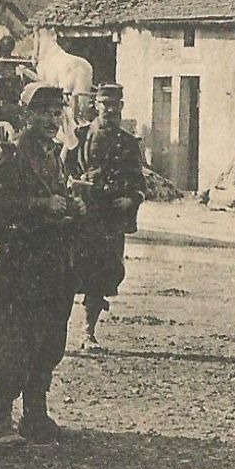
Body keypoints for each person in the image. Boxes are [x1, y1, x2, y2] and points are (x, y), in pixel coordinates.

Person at [0, 84, 83, 445]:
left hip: (55, 263)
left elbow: (57, 198)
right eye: (46, 113)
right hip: (22, 265)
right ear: (28, 116)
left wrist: (71, 207)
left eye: (58, 113)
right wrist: (41, 205)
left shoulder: (54, 155)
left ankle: (35, 416)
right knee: (16, 341)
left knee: (50, 341)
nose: (54, 120)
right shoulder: (14, 155)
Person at [62, 82, 146, 350]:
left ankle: (88, 333)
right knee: (69, 273)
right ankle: (57, 335)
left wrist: (130, 199)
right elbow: (61, 174)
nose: (110, 110)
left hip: (109, 219)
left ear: (121, 107)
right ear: (95, 106)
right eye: (104, 104)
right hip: (82, 217)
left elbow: (140, 184)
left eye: (115, 105)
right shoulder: (80, 136)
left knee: (102, 275)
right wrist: (75, 200)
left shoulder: (129, 143)